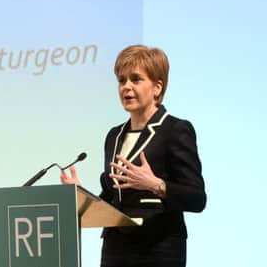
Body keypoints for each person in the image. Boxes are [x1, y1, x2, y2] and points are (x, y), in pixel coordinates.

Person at [61, 45, 206, 267]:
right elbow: (111, 196)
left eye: (136, 79)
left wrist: (157, 185)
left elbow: (197, 198)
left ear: (157, 87)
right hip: (116, 249)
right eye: (122, 80)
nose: (126, 87)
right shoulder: (114, 136)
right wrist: (80, 195)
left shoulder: (175, 130)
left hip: (158, 249)